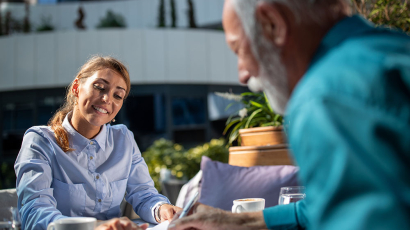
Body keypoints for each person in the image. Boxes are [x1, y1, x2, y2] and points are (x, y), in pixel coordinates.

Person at [169, 0, 410, 229]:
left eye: (239, 49)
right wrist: (238, 222)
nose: (242, 74)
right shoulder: (394, 48)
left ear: (273, 24)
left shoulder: (325, 97)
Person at [14, 56, 181, 230]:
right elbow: (34, 213)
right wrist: (96, 227)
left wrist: (162, 209)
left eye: (118, 95)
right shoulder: (40, 141)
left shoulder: (123, 138)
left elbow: (144, 194)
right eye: (99, 87)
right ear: (76, 87)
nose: (107, 99)